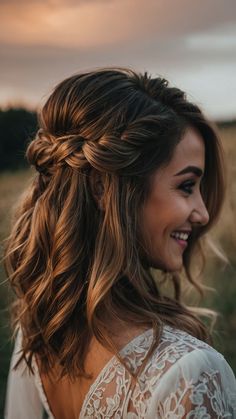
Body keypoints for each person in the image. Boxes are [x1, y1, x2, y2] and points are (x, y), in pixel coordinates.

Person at [4, 68, 236, 418]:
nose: (202, 214)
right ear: (102, 188)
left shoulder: (40, 333)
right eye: (187, 186)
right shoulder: (189, 374)